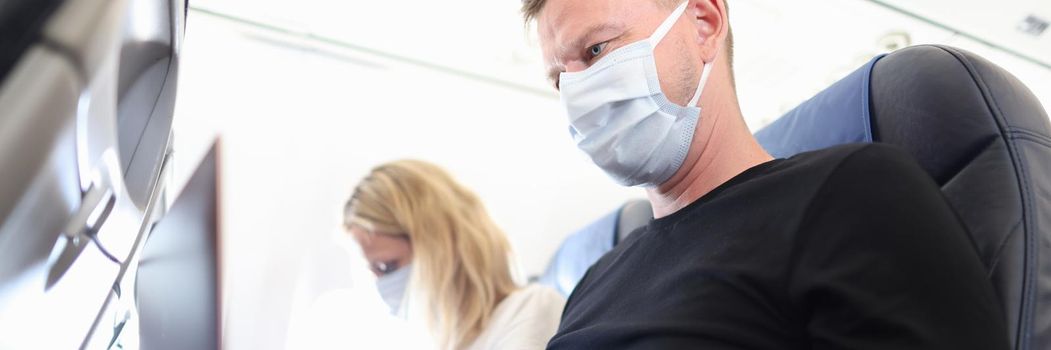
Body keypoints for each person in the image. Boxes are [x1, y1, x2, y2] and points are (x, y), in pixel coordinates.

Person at [520, 0, 1010, 349]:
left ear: (705, 23)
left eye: (597, 50)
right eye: (559, 78)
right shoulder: (593, 282)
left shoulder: (853, 194)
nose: (577, 92)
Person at [344, 160, 565, 350]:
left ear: (440, 247)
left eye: (387, 267)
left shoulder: (529, 308)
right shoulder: (435, 341)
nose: (380, 286)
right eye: (371, 271)